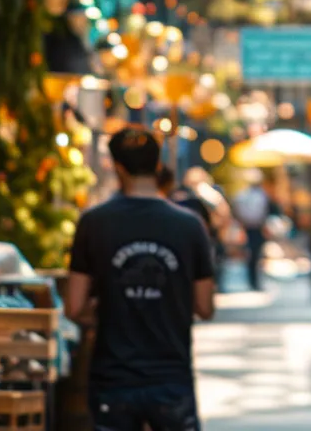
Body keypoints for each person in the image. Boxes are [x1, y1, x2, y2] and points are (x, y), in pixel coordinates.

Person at [65, 128, 216, 431]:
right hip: (171, 377)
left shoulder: (94, 222)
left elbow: (73, 307)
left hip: (113, 376)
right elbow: (205, 307)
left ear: (118, 167)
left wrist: (105, 306)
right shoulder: (189, 225)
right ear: (158, 165)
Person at [232, 170, 277, 291]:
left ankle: (253, 280)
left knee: (252, 255)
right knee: (256, 255)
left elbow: (236, 211)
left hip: (249, 227)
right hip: (256, 228)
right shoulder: (261, 196)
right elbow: (267, 212)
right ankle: (254, 280)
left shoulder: (243, 195)